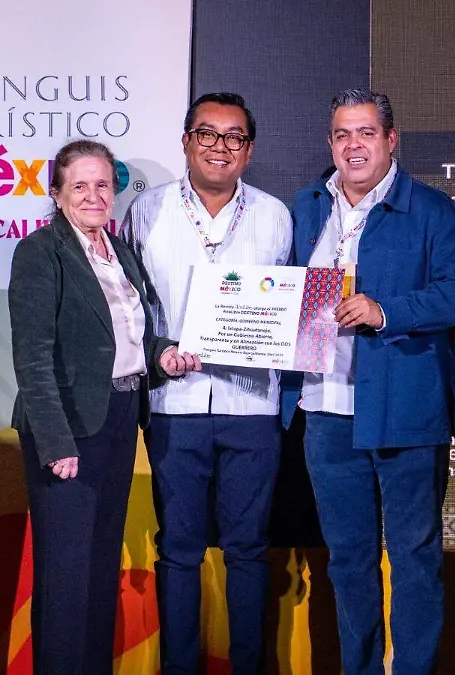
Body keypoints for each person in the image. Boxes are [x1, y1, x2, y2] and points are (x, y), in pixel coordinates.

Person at [279, 88, 455, 675]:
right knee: (347, 560)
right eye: (342, 134)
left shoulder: (433, 210)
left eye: (366, 133)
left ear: (391, 140)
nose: (354, 145)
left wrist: (384, 311)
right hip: (325, 409)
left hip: (405, 409)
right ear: (330, 143)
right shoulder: (308, 206)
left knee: (413, 557)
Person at [121, 92, 292, 675]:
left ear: (249, 149)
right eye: (207, 134)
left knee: (249, 550)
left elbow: (292, 308)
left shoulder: (274, 215)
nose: (221, 146)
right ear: (187, 141)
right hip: (175, 405)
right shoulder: (146, 212)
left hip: (253, 405)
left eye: (234, 136)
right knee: (179, 550)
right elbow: (133, 308)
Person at [8, 139, 179, 674]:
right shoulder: (40, 252)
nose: (93, 195)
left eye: (102, 184)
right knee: (66, 575)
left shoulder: (120, 251)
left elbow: (129, 337)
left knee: (101, 566)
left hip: (120, 419)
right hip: (67, 429)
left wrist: (163, 355)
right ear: (57, 194)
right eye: (79, 185)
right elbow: (32, 357)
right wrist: (55, 442)